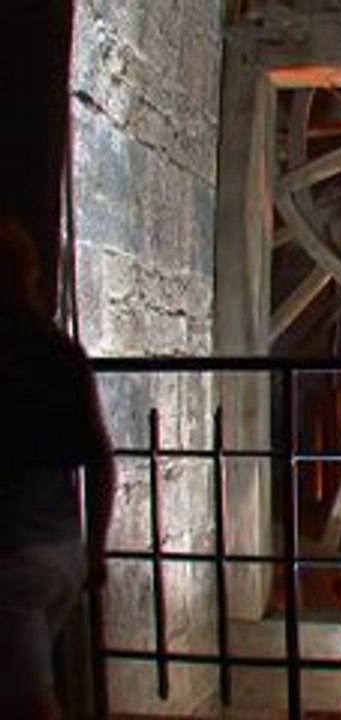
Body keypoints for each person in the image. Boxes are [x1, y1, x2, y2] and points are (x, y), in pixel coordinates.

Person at [0, 218, 116, 719]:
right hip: (61, 550)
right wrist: (94, 552)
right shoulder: (61, 352)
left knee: (33, 704)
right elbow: (100, 459)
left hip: (14, 556)